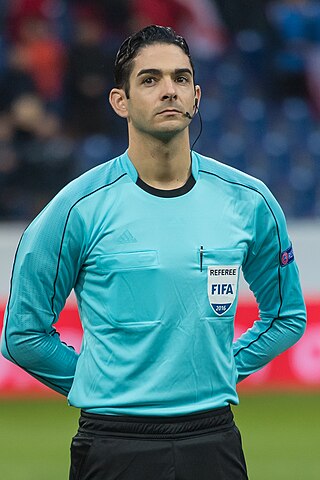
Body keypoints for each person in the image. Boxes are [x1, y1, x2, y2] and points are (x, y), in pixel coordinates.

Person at [1, 25, 306, 480]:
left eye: (181, 79)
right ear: (119, 101)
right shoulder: (74, 209)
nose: (169, 90)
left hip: (214, 439)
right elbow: (23, 334)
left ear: (197, 95)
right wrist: (99, 384)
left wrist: (222, 368)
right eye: (150, 80)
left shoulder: (249, 200)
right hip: (113, 443)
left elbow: (287, 316)